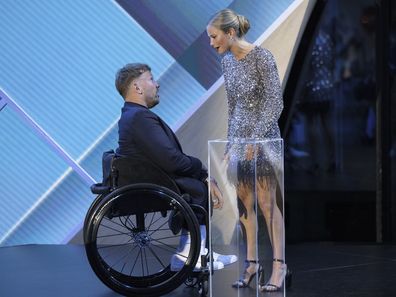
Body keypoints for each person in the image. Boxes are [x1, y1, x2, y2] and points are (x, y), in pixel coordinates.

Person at [114, 63, 237, 271]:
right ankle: (188, 254)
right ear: (137, 87)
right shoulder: (139, 117)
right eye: (151, 79)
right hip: (151, 183)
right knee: (198, 189)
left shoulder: (133, 116)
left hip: (152, 178)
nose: (157, 84)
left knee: (197, 184)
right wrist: (202, 170)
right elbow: (171, 159)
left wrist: (202, 175)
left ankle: (197, 251)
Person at [207, 9, 290, 292]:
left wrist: (255, 139)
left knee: (268, 204)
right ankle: (252, 263)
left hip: (264, 141)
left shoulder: (262, 57)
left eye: (214, 36)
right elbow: (234, 108)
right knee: (245, 204)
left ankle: (279, 264)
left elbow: (275, 103)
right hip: (240, 142)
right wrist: (232, 145)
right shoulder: (228, 63)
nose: (211, 43)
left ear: (230, 33)